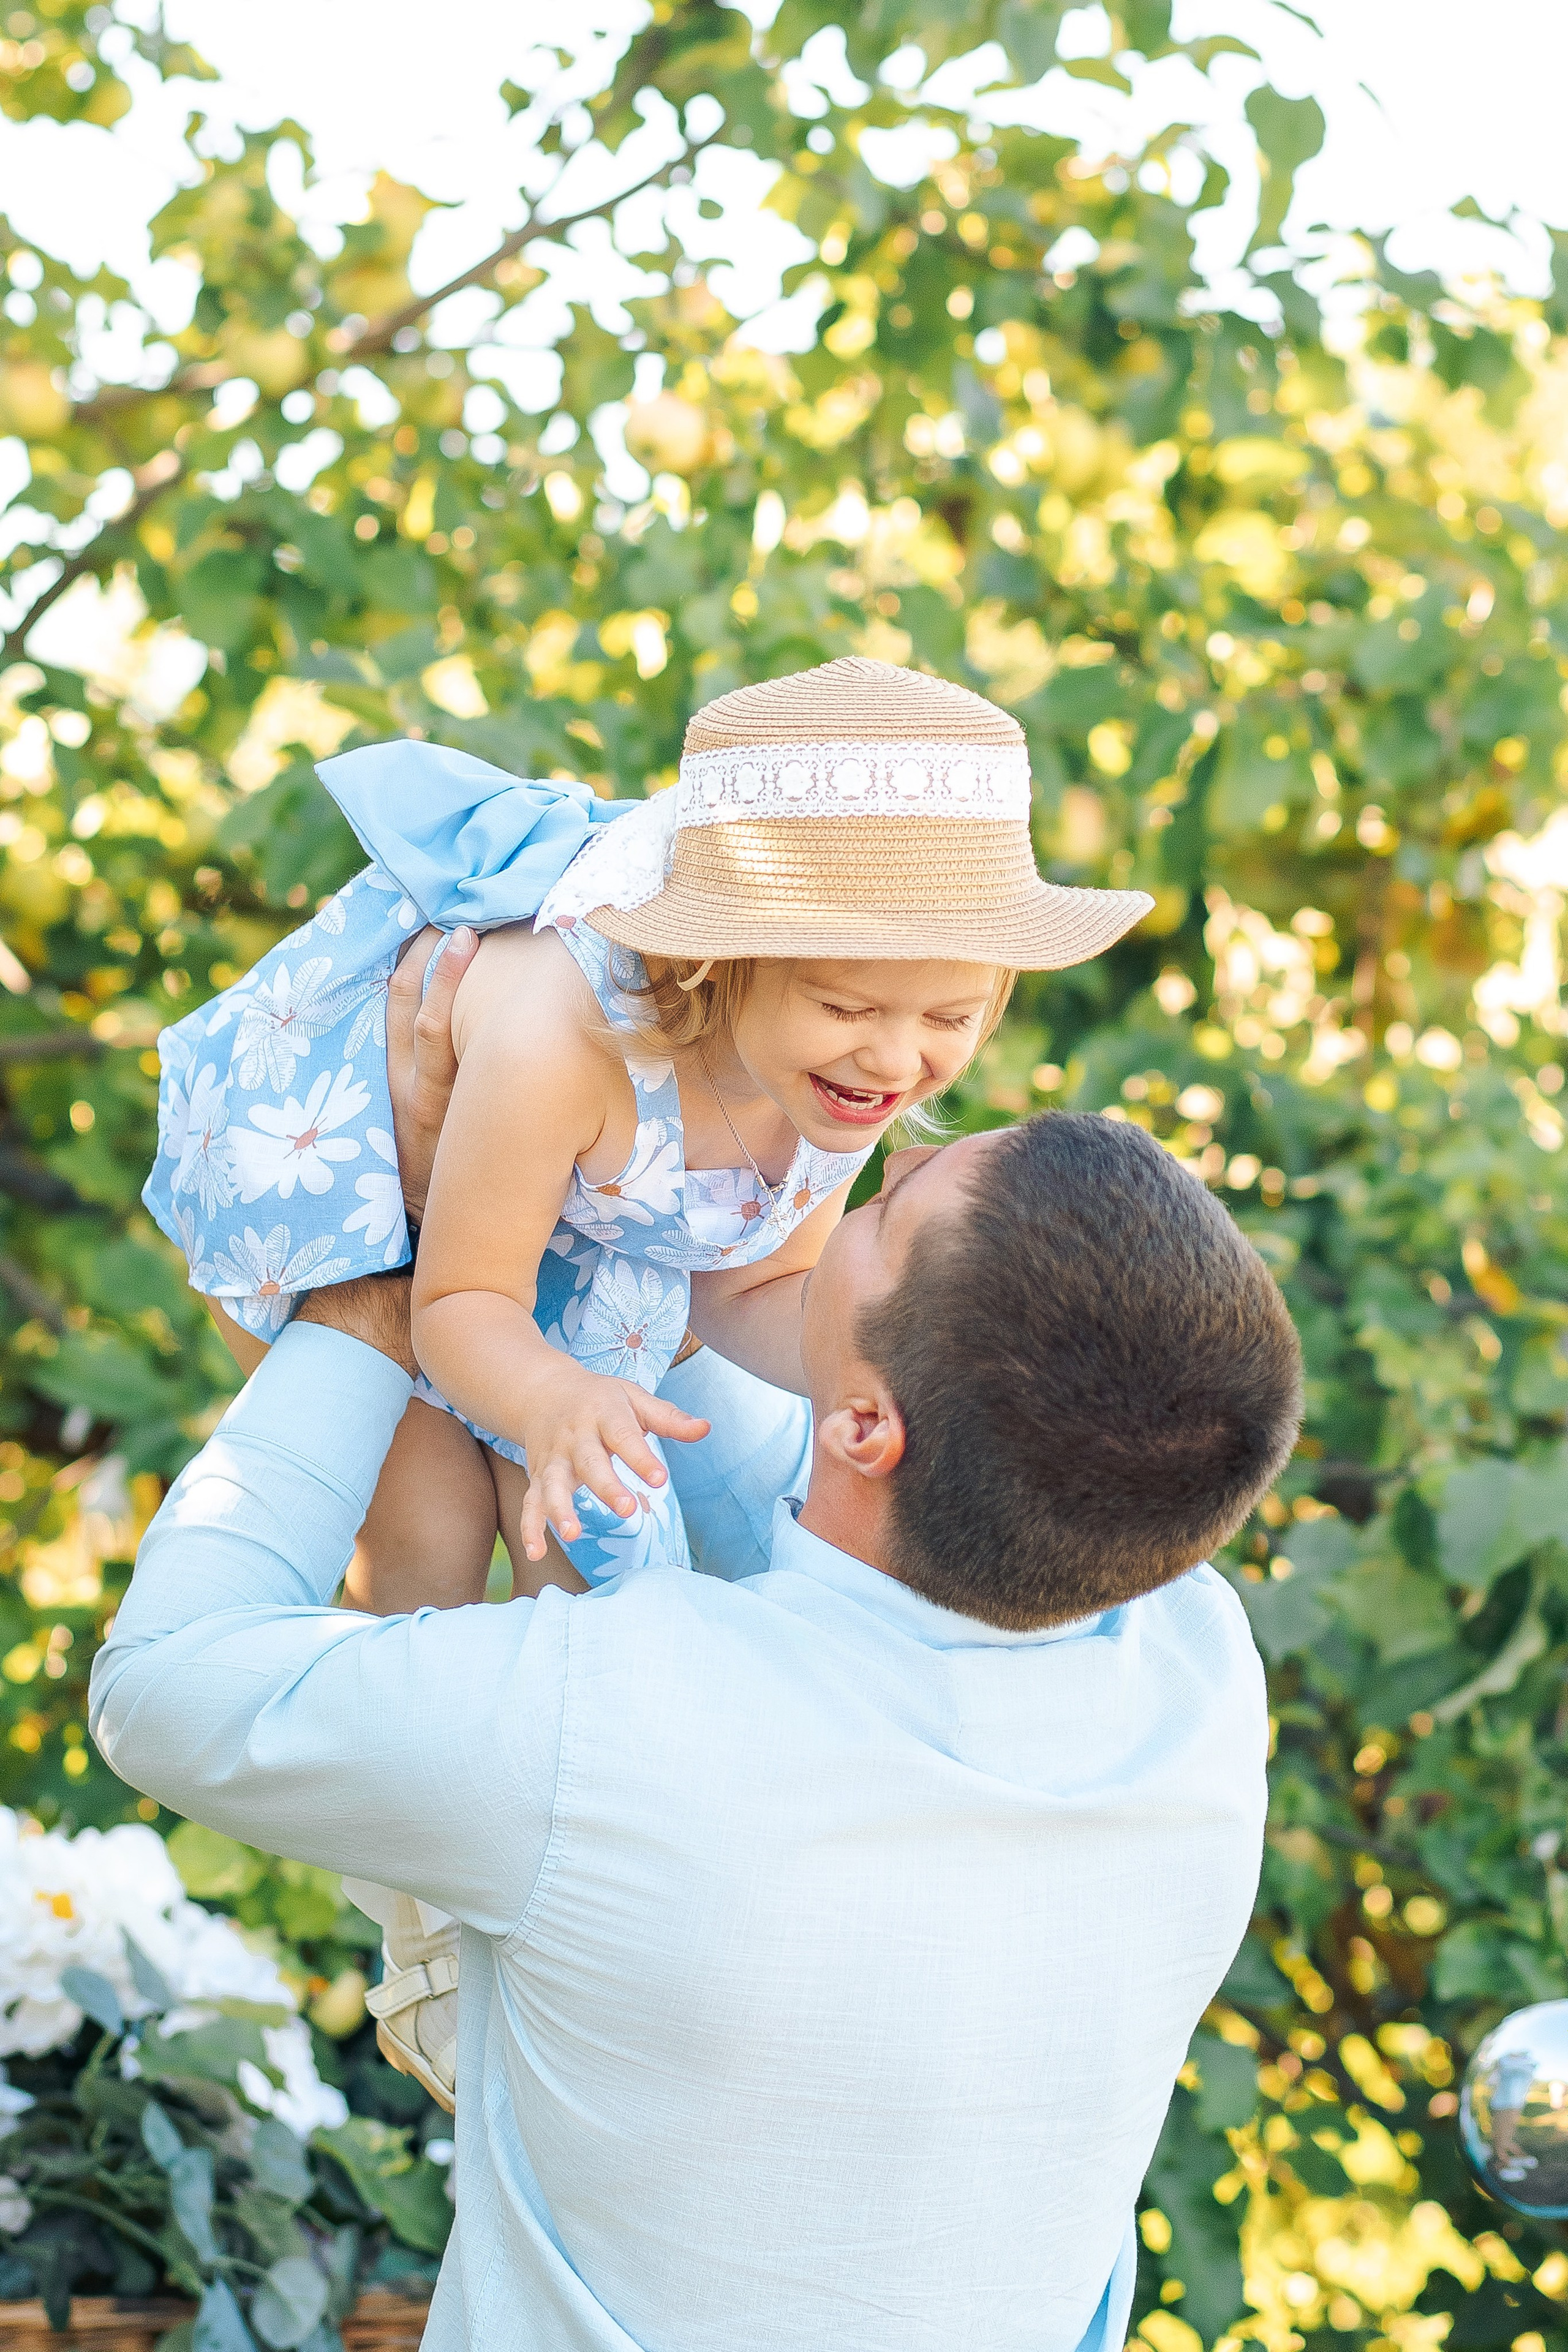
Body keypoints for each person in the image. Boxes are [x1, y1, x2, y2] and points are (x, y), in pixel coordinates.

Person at [91, 1005, 1303, 2352]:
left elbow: (165, 1685)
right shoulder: (1192, 1669)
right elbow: (803, 1514)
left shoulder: (612, 1719)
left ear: (864, 1422)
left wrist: (375, 1303)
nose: (885, 1149)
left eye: (885, 1211)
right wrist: (608, 1230)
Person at [140, 653, 1152, 2093]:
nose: (902, 1059)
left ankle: (581, 1901)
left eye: (953, 1017)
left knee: (603, 1544)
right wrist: (548, 1397)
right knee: (429, 1522)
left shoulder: (843, 1076)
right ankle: (416, 1911)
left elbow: (753, 1286)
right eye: (855, 1008)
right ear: (717, 962)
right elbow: (458, 1302)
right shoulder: (565, 1037)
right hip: (395, 1171)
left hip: (588, 1223)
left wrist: (890, 1382)